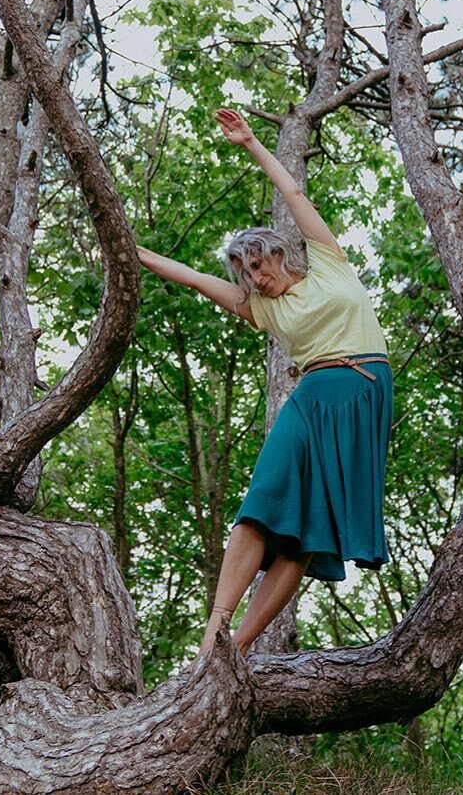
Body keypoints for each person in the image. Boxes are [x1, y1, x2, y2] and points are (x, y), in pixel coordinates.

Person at [137, 108, 393, 660]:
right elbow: (185, 274)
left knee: (306, 536)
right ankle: (216, 626)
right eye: (246, 272)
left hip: (366, 394)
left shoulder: (329, 266)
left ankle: (233, 651)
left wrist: (251, 142)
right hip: (312, 402)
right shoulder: (259, 308)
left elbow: (296, 195)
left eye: (260, 263)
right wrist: (125, 243)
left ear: (279, 253)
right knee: (265, 502)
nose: (256, 276)